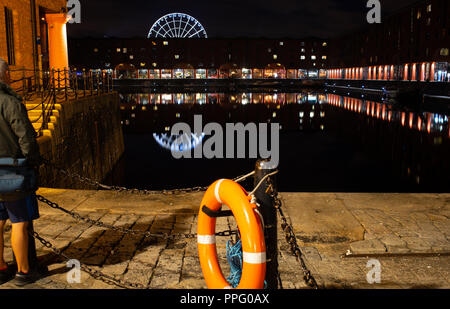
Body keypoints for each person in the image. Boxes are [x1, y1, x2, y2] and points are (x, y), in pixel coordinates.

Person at [0, 58, 42, 286]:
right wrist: (32, 160)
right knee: (20, 222)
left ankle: (0, 266)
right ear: (5, 75)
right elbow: (25, 137)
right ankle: (24, 271)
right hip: (11, 171)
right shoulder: (9, 102)